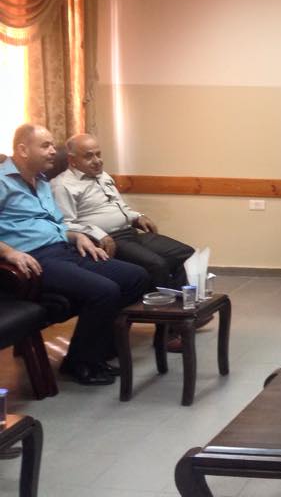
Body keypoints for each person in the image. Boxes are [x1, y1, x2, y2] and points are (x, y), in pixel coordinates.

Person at [0, 124, 150, 385]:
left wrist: (77, 236)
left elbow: (57, 224)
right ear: (23, 150)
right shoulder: (2, 182)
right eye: (45, 145)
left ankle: (95, 349)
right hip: (35, 260)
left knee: (136, 276)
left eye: (52, 145)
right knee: (105, 291)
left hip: (64, 249)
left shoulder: (42, 181)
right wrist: (9, 252)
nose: (53, 151)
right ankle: (81, 362)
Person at [51, 133, 193, 292]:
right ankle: (161, 306)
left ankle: (182, 300)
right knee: (157, 264)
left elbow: (119, 206)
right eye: (89, 156)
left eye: (98, 154)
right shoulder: (62, 185)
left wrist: (137, 216)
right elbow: (65, 225)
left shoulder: (102, 176)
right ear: (72, 160)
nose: (97, 161)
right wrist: (97, 234)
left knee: (186, 254)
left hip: (130, 232)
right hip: (108, 240)